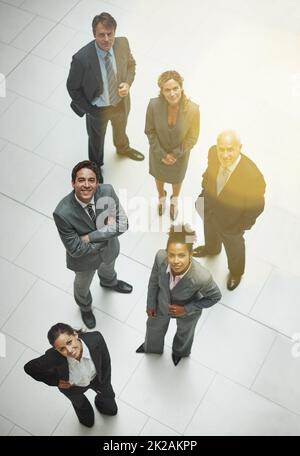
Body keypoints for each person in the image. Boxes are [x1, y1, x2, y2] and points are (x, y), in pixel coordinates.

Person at [53, 160, 132, 329]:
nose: (86, 185)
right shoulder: (62, 212)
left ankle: (109, 282)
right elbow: (75, 249)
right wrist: (108, 230)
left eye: (91, 180)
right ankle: (85, 307)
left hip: (110, 250)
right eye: (81, 180)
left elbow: (123, 223)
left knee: (109, 269)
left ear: (97, 183)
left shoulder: (107, 191)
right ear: (73, 183)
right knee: (82, 285)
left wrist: (89, 237)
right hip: (84, 261)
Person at [67, 12, 144, 183]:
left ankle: (122, 148)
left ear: (115, 32)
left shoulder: (123, 43)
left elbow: (131, 65)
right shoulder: (81, 59)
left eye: (110, 34)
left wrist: (127, 83)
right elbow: (72, 88)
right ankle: (95, 165)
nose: (107, 39)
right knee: (96, 140)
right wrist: (90, 110)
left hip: (120, 103)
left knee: (121, 127)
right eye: (101, 35)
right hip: (97, 110)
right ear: (94, 34)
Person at [136, 225, 221, 366]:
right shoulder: (159, 257)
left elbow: (215, 297)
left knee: (185, 334)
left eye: (181, 255)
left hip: (187, 313)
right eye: (171, 255)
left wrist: (186, 309)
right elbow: (153, 282)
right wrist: (150, 304)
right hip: (161, 304)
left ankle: (179, 353)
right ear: (166, 252)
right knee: (153, 328)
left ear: (190, 254)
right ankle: (151, 348)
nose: (175, 261)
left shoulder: (202, 276)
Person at [193, 130, 266, 291]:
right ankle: (212, 248)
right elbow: (208, 173)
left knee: (234, 247)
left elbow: (256, 208)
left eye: (230, 149)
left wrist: (240, 227)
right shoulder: (213, 153)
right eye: (222, 149)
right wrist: (204, 192)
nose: (225, 155)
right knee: (209, 229)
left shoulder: (253, 177)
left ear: (240, 148)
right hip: (209, 207)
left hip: (231, 223)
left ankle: (236, 272)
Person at [24, 323, 117, 427]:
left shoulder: (96, 339)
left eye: (69, 342)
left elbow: (105, 362)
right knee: (81, 406)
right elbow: (29, 368)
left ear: (75, 334)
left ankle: (103, 402)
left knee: (110, 404)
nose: (69, 350)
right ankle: (86, 416)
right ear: (56, 350)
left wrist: (105, 382)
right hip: (72, 387)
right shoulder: (53, 357)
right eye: (62, 349)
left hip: (97, 379)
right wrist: (55, 381)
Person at [145, 70, 200, 220]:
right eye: (167, 90)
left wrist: (176, 154)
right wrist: (162, 154)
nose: (172, 93)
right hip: (157, 153)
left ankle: (174, 200)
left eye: (175, 88)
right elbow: (150, 131)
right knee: (159, 176)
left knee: (177, 179)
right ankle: (161, 196)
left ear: (181, 87)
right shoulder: (153, 105)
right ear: (162, 91)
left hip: (180, 156)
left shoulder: (193, 110)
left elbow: (192, 137)